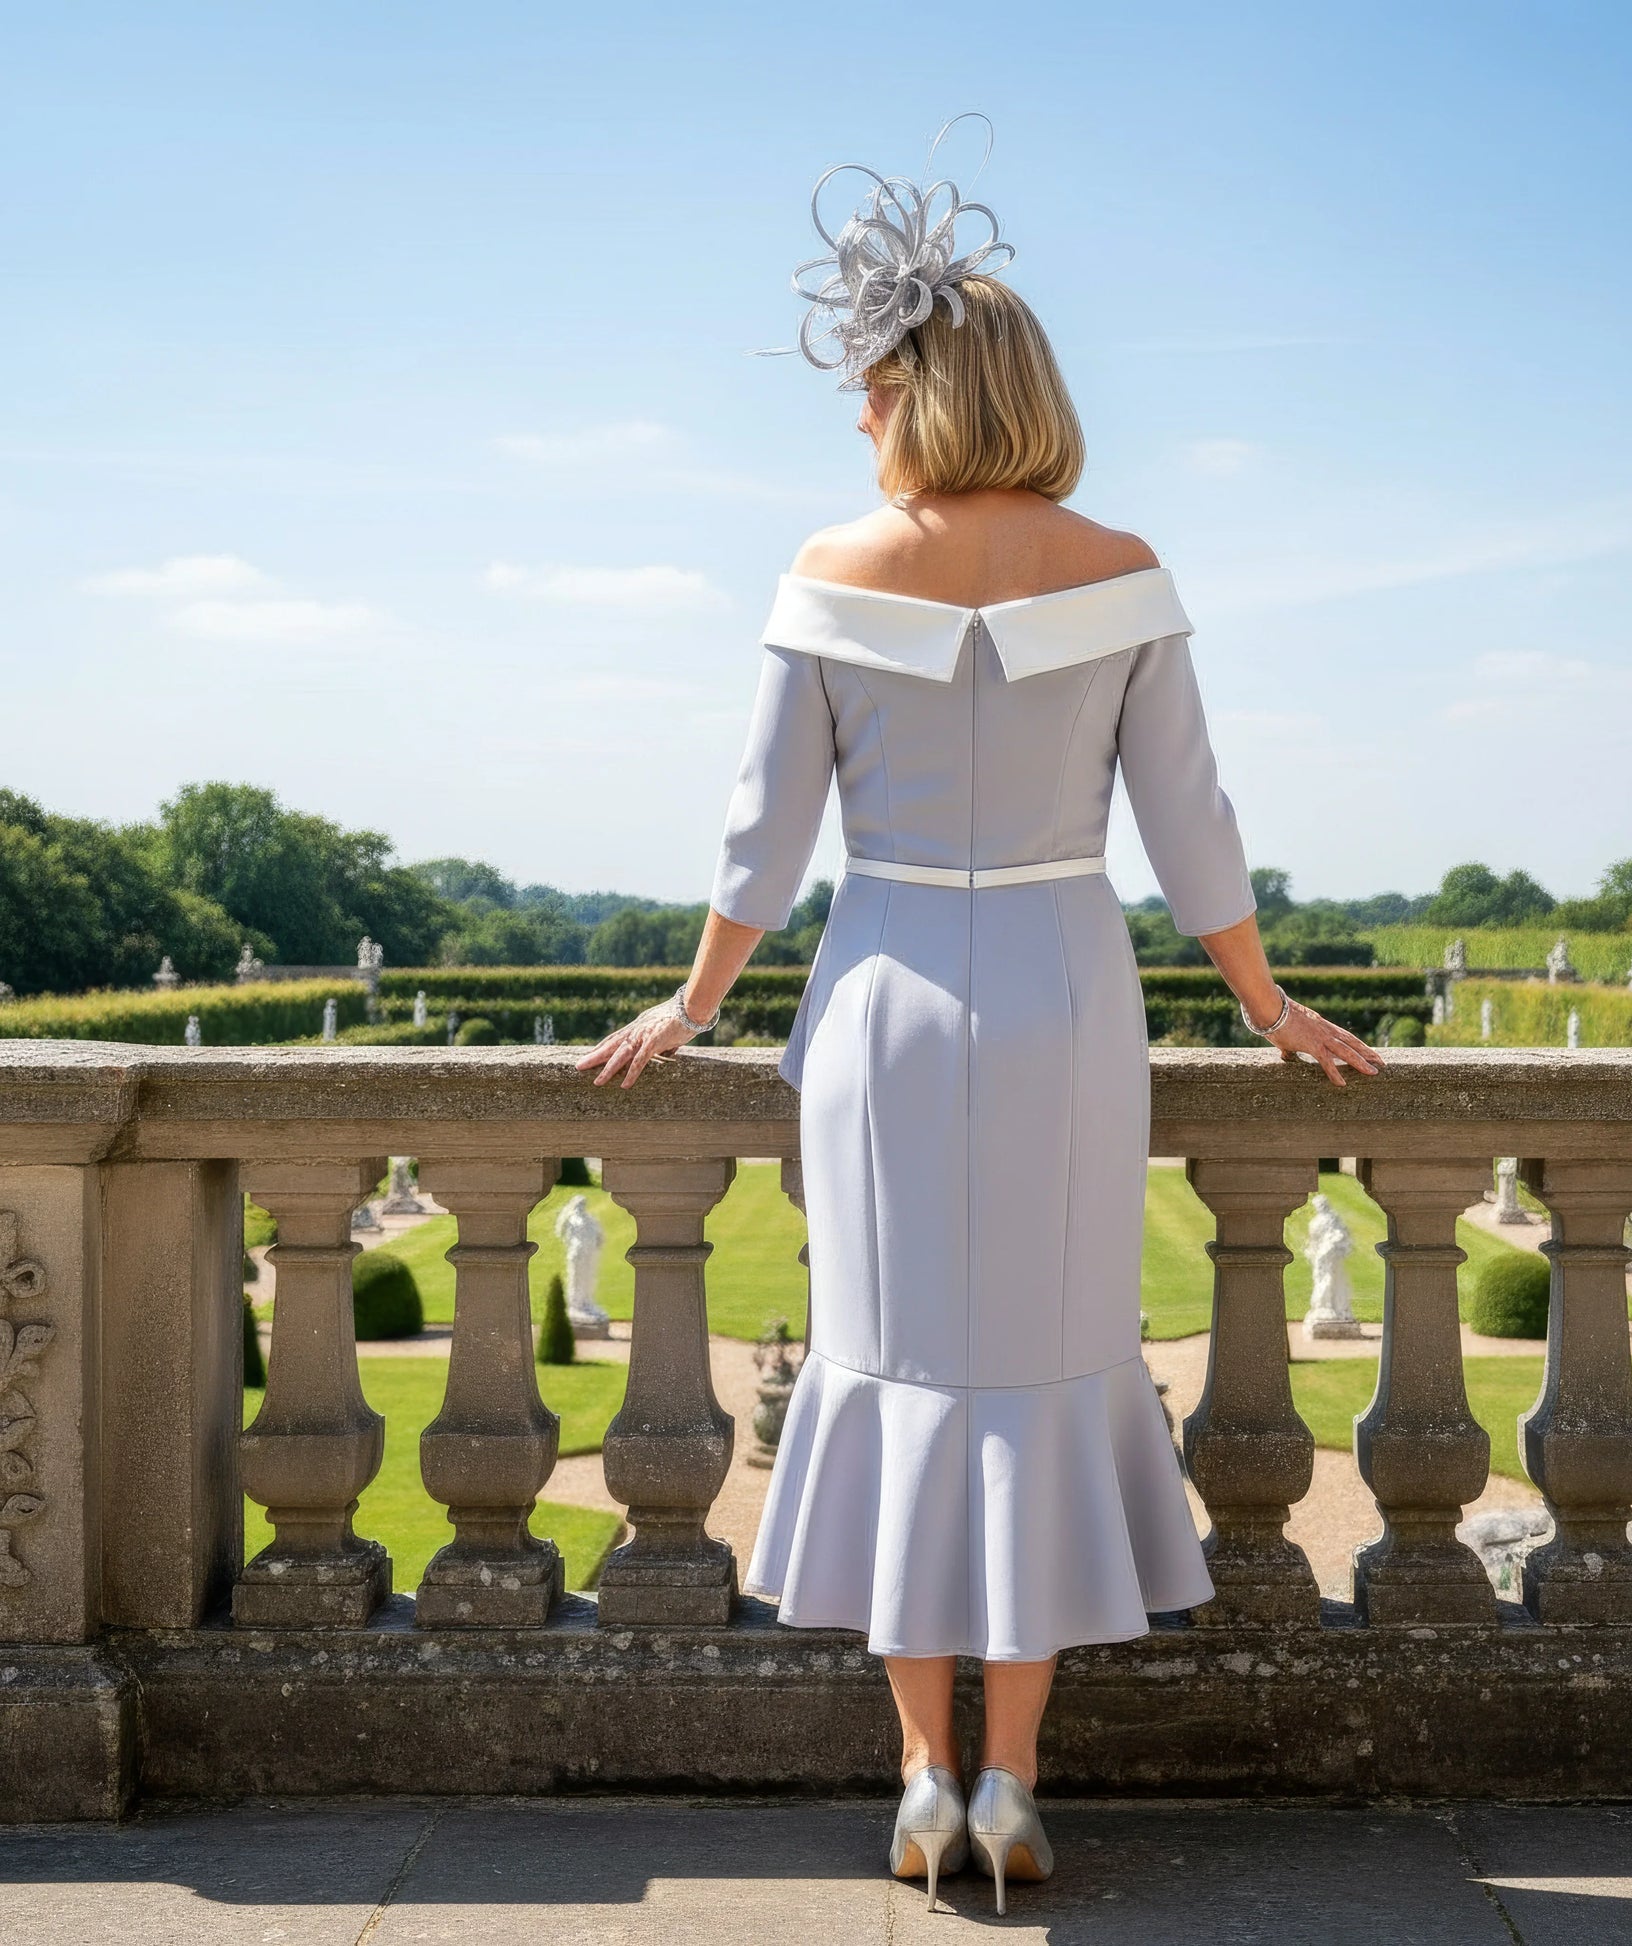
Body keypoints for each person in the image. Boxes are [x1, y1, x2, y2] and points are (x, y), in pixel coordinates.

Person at [575, 121, 1383, 1917]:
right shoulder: (1122, 562)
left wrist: (693, 1001)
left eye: (871, 385)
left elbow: (760, 841)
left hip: (878, 1002)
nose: (856, 414)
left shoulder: (831, 565)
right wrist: (1261, 999)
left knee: (890, 1369)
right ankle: (1010, 1767)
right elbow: (1192, 827)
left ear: (916, 387)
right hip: (1066, 990)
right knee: (1037, 1373)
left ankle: (918, 1778)